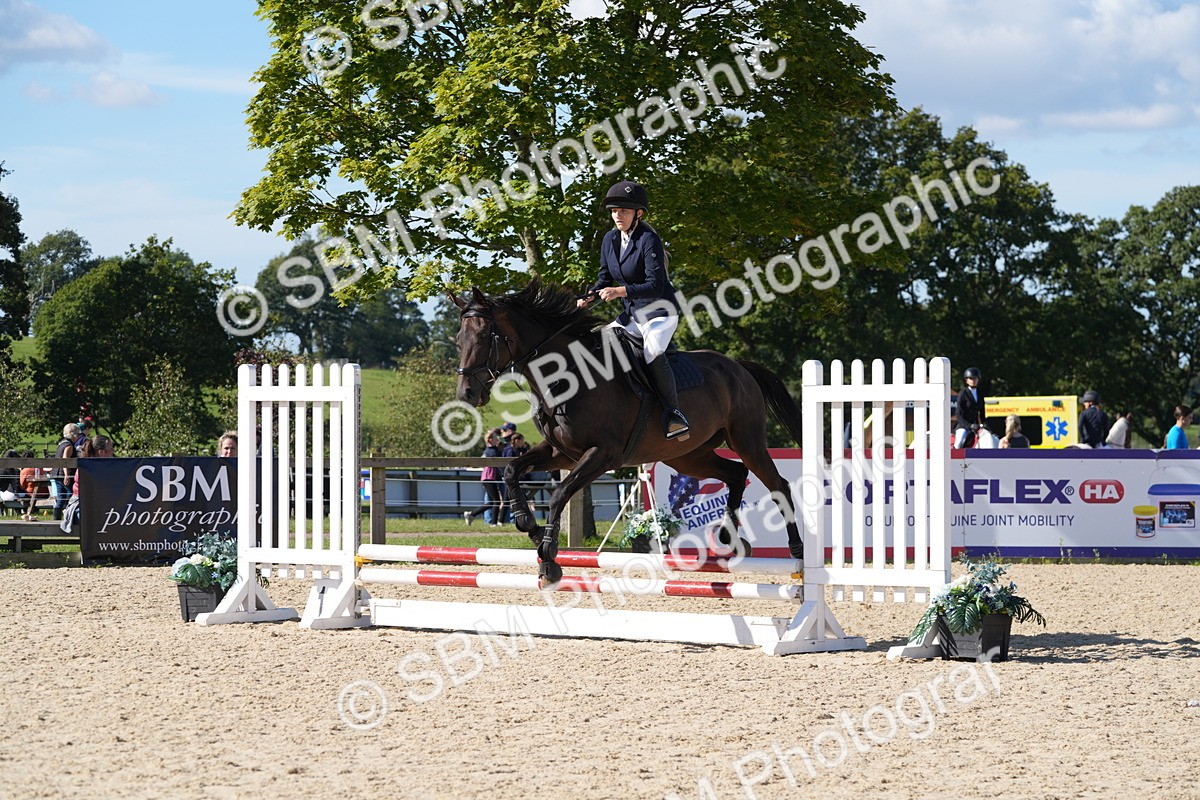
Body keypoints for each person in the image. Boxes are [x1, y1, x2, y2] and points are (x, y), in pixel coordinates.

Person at [577, 180, 689, 440]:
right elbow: (604, 277)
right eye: (614, 211)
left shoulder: (648, 240)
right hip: (631, 314)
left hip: (659, 312)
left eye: (624, 211)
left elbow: (655, 285)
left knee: (651, 352)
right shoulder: (610, 239)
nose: (618, 216)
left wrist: (620, 291)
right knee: (599, 345)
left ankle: (674, 413)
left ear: (638, 213)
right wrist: (589, 296)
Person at [61, 435, 112, 532]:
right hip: (81, 506)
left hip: (97, 507)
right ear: (101, 452)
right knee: (99, 518)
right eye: (110, 448)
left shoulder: (104, 467)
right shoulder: (87, 467)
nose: (112, 451)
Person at [463, 428, 504, 526]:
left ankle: (472, 514)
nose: (497, 439)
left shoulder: (490, 450)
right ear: (490, 440)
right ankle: (493, 523)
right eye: (495, 438)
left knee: (492, 502)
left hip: (488, 477)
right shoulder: (492, 451)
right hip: (490, 477)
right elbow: (498, 463)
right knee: (496, 501)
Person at [51, 423, 85, 520]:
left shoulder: (61, 443)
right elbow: (65, 459)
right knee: (71, 496)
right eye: (77, 435)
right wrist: (66, 475)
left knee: (61, 497)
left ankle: (56, 518)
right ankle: (70, 516)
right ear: (73, 435)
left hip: (56, 473)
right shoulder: (69, 445)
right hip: (64, 474)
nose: (78, 437)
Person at [954, 367, 986, 448]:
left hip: (976, 426)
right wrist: (970, 425)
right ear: (966, 380)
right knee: (959, 443)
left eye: (975, 378)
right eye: (971, 378)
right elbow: (958, 414)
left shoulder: (980, 394)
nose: (973, 380)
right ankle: (954, 457)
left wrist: (983, 424)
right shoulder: (963, 394)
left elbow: (982, 413)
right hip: (964, 426)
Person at [19, 450, 49, 521]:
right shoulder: (40, 469)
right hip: (45, 493)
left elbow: (22, 486)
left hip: (31, 493)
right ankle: (33, 509)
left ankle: (25, 511)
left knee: (21, 493)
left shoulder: (25, 471)